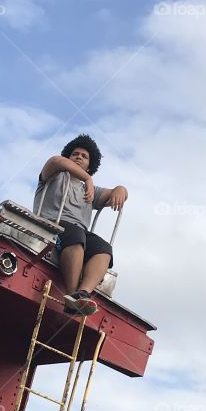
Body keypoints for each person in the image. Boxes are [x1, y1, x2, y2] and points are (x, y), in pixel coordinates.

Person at [33, 135, 128, 316]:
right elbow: (55, 161)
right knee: (76, 235)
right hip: (51, 225)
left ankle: (83, 293)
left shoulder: (91, 191)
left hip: (79, 233)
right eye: (74, 154)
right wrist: (88, 179)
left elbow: (119, 192)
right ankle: (71, 297)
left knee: (104, 248)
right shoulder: (54, 175)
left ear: (90, 166)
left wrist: (120, 189)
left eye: (84, 157)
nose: (78, 157)